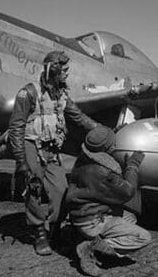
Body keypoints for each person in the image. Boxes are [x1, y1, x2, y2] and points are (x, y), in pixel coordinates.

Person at [8, 51, 99, 256]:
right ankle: (39, 233)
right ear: (54, 70)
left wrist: (99, 129)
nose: (67, 75)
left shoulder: (62, 94)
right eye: (64, 71)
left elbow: (78, 116)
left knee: (61, 189)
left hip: (52, 149)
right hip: (30, 144)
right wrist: (22, 163)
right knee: (34, 186)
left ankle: (55, 230)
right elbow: (16, 127)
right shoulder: (29, 92)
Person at [65, 125, 152, 276]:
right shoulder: (104, 171)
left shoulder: (83, 159)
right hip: (93, 220)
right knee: (143, 237)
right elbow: (128, 191)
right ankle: (91, 248)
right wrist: (133, 166)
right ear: (108, 147)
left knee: (130, 217)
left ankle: (84, 237)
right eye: (113, 143)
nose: (115, 145)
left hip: (81, 215)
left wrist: (116, 130)